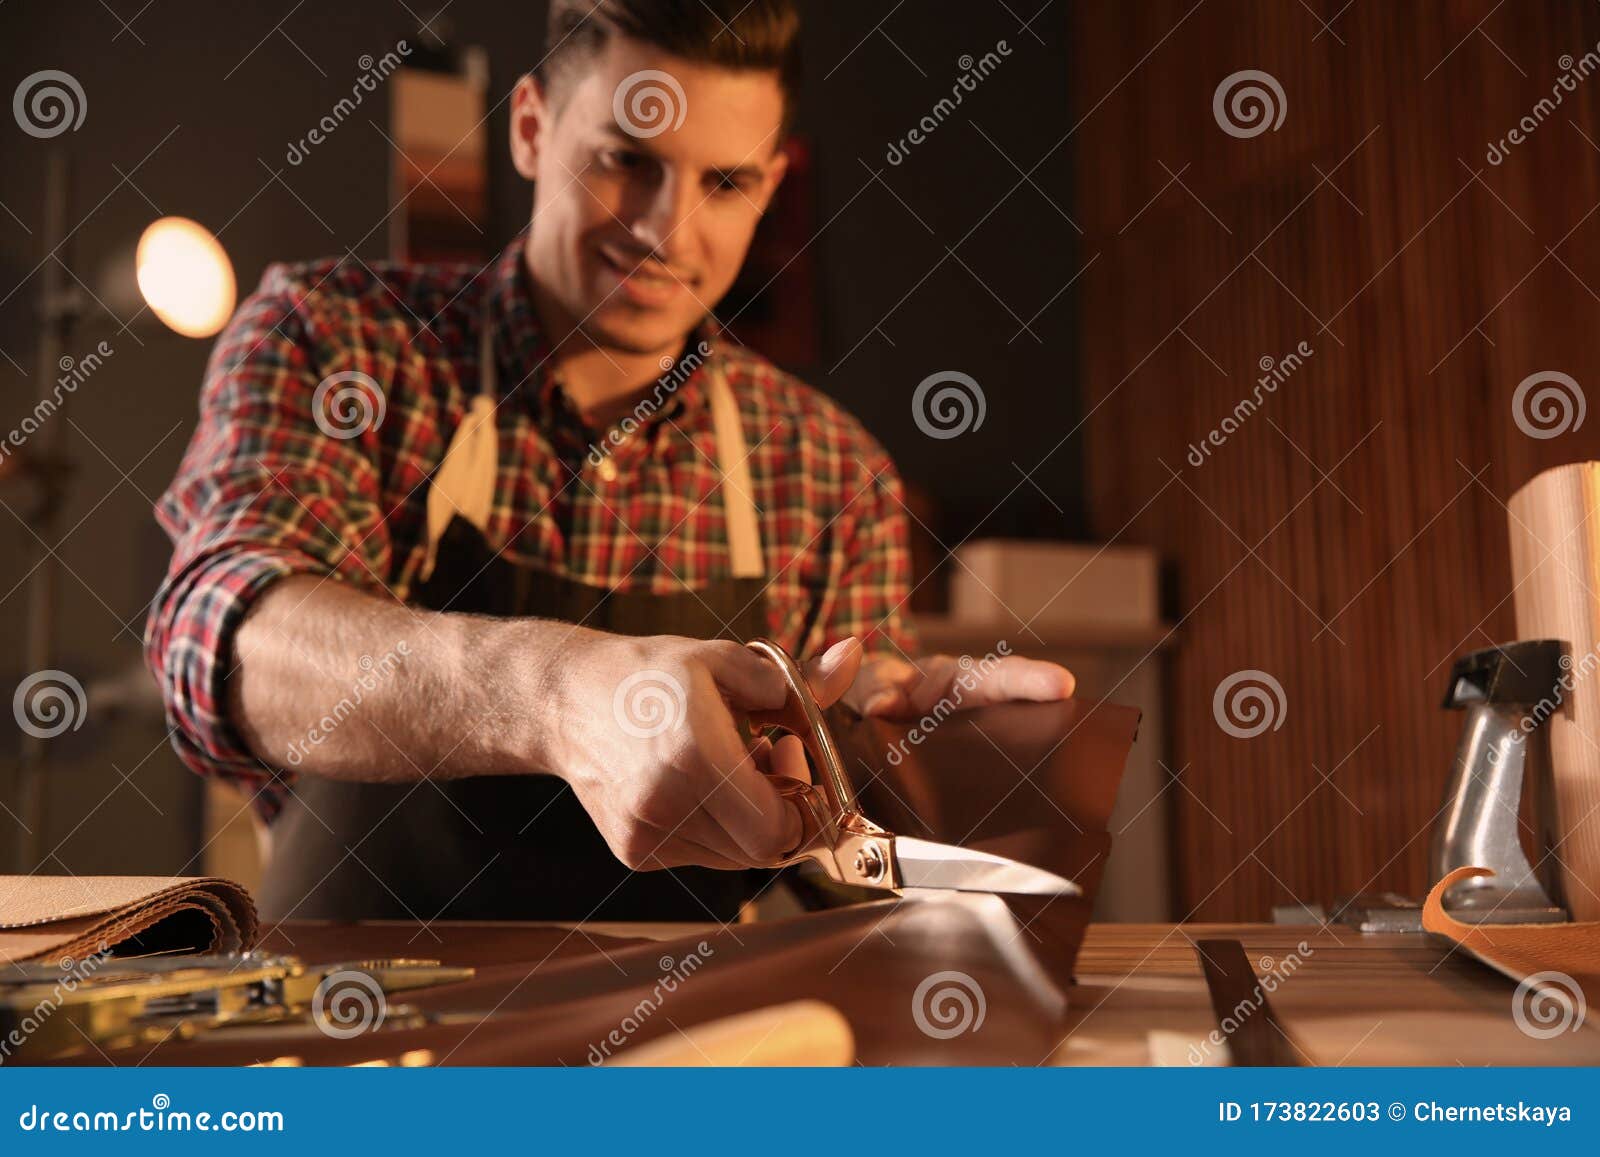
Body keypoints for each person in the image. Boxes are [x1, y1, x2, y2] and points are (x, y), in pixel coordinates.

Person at [145, 0, 1075, 924]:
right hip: (358, 1030)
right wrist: (559, 693)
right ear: (530, 127)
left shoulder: (831, 470)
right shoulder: (338, 338)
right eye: (629, 161)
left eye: (726, 182)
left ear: (774, 180)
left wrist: (903, 755)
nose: (669, 231)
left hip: (682, 1051)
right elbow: (224, 640)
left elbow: (847, 874)